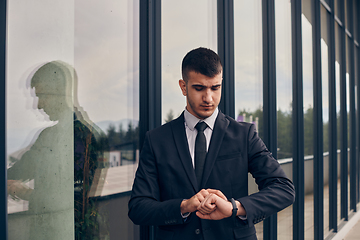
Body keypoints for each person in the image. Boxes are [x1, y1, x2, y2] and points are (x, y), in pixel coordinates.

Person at [128, 47, 295, 240]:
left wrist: (235, 207)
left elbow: (283, 188)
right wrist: (184, 206)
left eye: (215, 88)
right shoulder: (157, 140)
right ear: (183, 86)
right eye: (199, 88)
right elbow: (138, 207)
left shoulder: (244, 135)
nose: (208, 98)